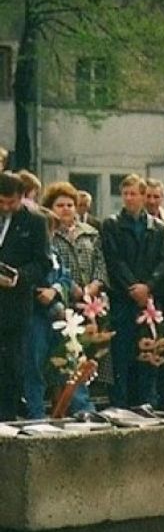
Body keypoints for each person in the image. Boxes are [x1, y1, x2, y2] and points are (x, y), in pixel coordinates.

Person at [100, 173, 164, 408]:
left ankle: (145, 402)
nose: (129, 198)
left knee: (148, 353)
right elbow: (114, 260)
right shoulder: (111, 225)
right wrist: (133, 287)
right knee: (121, 355)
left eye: (134, 194)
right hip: (123, 298)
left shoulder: (158, 228)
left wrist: (148, 287)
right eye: (125, 194)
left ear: (143, 196)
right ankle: (119, 403)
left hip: (149, 301)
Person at [44, 181, 105, 413]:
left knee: (85, 358)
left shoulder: (90, 233)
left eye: (70, 204)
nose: (67, 209)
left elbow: (100, 263)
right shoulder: (49, 234)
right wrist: (74, 289)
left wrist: (94, 286)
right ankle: (74, 405)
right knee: (65, 358)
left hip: (90, 304)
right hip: (62, 306)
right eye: (60, 205)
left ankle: (80, 404)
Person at [0, 171, 51, 420]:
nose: (6, 207)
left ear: (21, 197)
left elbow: (43, 264)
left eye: (11, 202)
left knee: (11, 367)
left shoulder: (35, 222)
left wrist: (19, 277)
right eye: (1, 202)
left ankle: (6, 421)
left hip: (13, 306)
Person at [24, 211, 74, 419]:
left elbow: (66, 278)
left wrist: (55, 290)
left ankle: (59, 410)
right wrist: (49, 299)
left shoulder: (56, 253)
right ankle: (35, 411)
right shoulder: (30, 254)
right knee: (34, 364)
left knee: (61, 364)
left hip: (57, 318)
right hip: (37, 316)